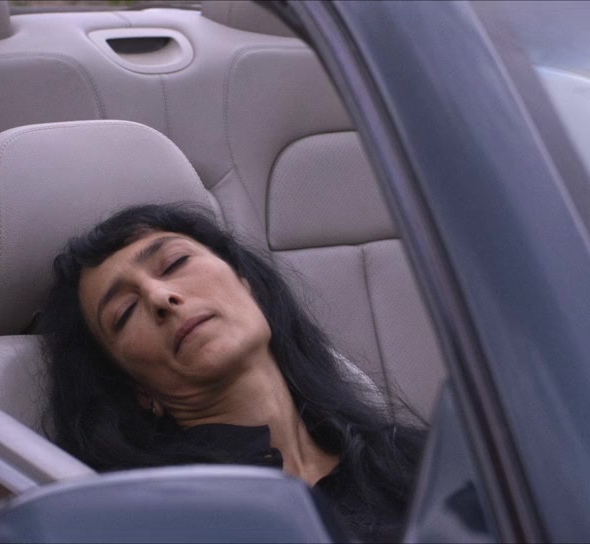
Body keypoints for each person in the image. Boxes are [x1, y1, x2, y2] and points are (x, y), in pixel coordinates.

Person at [39, 203, 426, 542]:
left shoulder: (418, 462)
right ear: (136, 388)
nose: (160, 297)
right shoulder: (164, 527)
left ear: (246, 283)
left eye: (175, 263)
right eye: (124, 312)